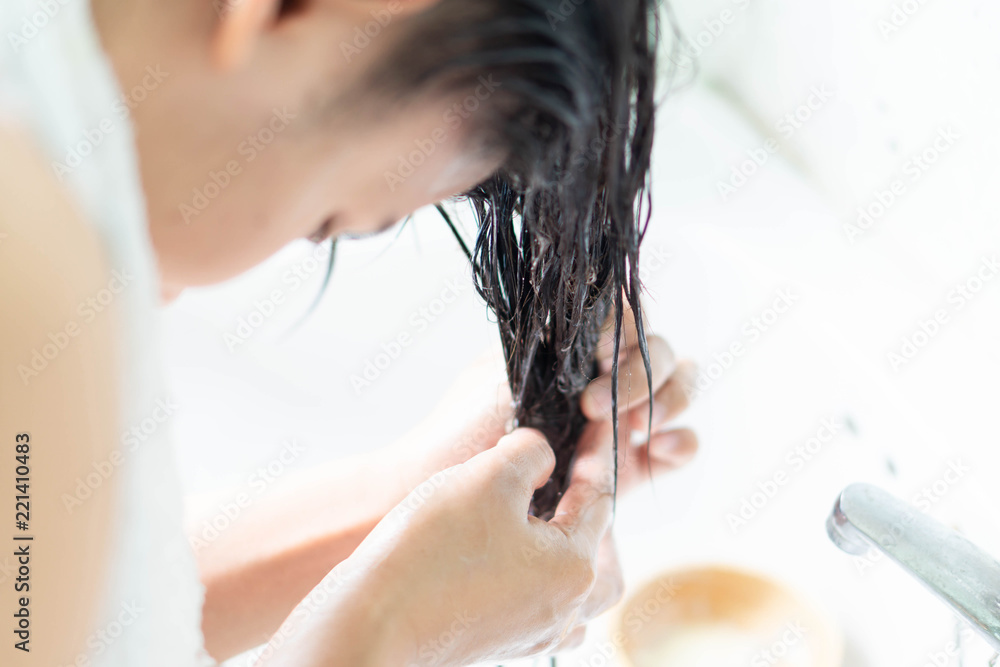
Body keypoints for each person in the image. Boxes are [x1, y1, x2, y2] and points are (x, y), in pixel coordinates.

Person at [0, 0, 698, 664]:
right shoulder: (32, 264)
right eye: (327, 221)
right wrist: (389, 634)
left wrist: (402, 498)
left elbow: (49, 615)